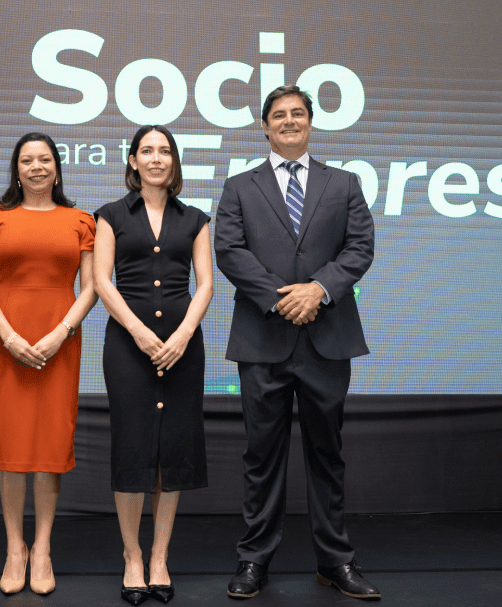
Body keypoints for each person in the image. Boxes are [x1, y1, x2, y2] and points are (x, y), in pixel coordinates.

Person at [214, 85, 379, 600]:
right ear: (264, 127)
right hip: (263, 338)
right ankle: (253, 560)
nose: (289, 121)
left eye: (298, 114)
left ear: (311, 123)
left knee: (327, 454)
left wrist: (319, 290)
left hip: (326, 340)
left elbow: (360, 247)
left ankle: (336, 561)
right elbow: (229, 249)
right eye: (279, 115)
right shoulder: (240, 186)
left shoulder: (345, 183)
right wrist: (283, 298)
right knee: (262, 456)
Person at [0, 132, 97, 596]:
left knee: (48, 445)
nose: (37, 167)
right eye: (27, 160)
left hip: (59, 340)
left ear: (57, 168)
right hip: (7, 339)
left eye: (45, 159)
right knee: (11, 444)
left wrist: (59, 333)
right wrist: (7, 335)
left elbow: (90, 287)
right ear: (16, 168)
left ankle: (42, 546)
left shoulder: (82, 220)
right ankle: (14, 548)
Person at [93, 125, 213, 605]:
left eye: (165, 151)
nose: (157, 158)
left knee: (172, 451)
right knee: (133, 448)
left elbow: (205, 284)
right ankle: (132, 556)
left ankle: (160, 555)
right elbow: (102, 281)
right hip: (127, 348)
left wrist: (181, 335)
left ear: (175, 161)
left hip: (184, 348)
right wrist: (141, 333)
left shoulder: (197, 218)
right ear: (133, 161)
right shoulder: (109, 215)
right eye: (148, 150)